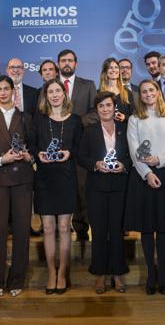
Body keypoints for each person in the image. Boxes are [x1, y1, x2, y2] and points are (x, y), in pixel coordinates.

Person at [125, 79, 165, 295]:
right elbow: (134, 150)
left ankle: (163, 275)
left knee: (162, 227)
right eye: (144, 91)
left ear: (158, 92)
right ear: (139, 96)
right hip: (142, 176)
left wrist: (159, 160)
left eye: (152, 90)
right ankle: (151, 273)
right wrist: (148, 173)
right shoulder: (135, 119)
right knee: (147, 228)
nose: (148, 94)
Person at [0, 76, 34, 298]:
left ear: (13, 91)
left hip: (22, 179)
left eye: (6, 89)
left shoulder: (26, 118)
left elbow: (33, 145)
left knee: (22, 231)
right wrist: (2, 159)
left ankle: (17, 280)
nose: (2, 92)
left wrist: (28, 156)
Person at [30, 78, 83, 294]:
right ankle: (52, 271)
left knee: (63, 227)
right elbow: (32, 145)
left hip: (66, 177)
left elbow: (80, 148)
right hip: (44, 178)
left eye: (57, 90)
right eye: (50, 91)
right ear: (46, 96)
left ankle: (63, 273)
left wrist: (70, 153)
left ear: (64, 93)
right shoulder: (39, 119)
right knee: (49, 228)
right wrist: (38, 154)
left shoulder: (76, 120)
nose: (54, 95)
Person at [77, 92, 131, 294]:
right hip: (96, 187)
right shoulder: (89, 130)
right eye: (101, 106)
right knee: (99, 232)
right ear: (96, 109)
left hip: (119, 185)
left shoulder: (125, 129)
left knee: (116, 231)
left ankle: (118, 273)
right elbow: (81, 157)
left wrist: (123, 165)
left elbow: (131, 154)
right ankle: (99, 274)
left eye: (109, 105)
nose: (106, 109)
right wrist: (95, 164)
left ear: (114, 107)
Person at [57, 49, 96, 240]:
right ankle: (58, 228)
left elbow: (95, 112)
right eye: (63, 60)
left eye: (70, 60)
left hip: (81, 145)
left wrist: (76, 120)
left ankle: (81, 228)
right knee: (60, 188)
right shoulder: (52, 86)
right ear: (58, 64)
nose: (66, 63)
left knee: (81, 188)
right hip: (56, 146)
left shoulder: (88, 85)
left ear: (76, 64)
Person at [98, 57, 134, 122]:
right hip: (105, 129)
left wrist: (125, 117)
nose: (114, 70)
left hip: (123, 129)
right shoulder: (98, 93)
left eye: (116, 67)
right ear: (105, 72)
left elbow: (134, 115)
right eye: (110, 68)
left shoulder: (127, 92)